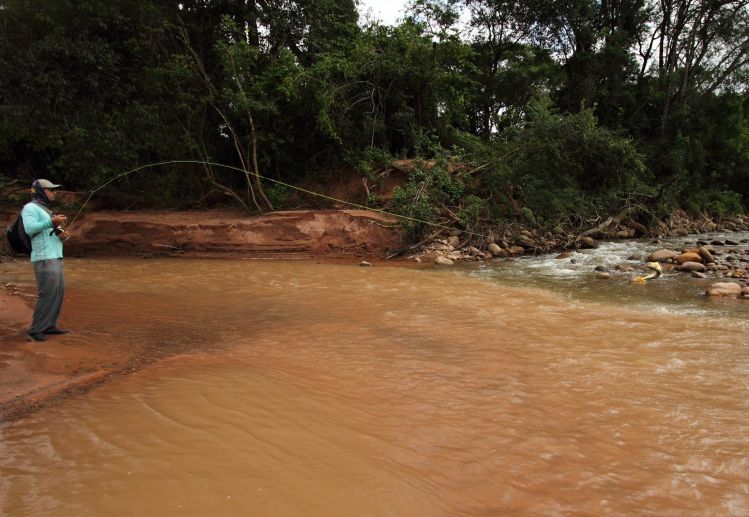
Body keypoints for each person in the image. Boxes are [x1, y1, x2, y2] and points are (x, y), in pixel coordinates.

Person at [22, 179, 70, 342]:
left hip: (55, 256)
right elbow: (29, 229)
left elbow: (49, 229)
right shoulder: (30, 208)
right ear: (40, 191)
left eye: (54, 189)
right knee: (47, 294)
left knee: (58, 293)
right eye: (50, 189)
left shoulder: (47, 210)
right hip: (44, 258)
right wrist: (52, 221)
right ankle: (35, 330)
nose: (54, 192)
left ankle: (49, 326)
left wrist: (60, 232)